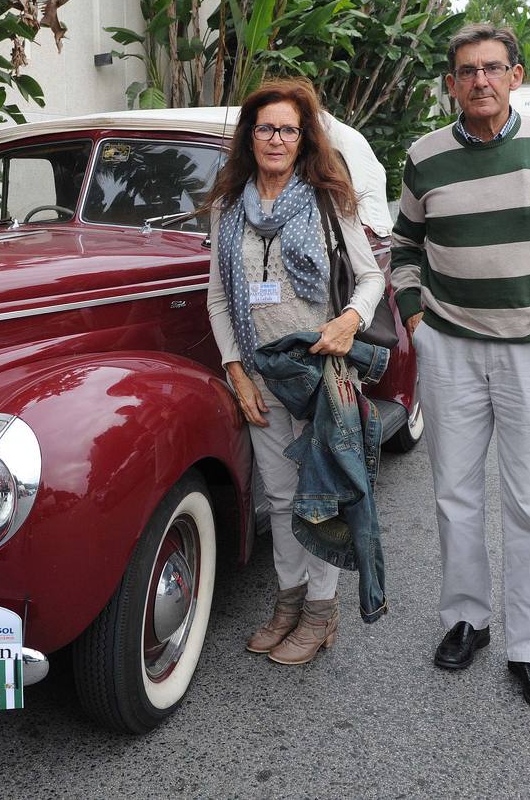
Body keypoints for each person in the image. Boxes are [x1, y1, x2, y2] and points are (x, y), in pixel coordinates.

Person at [389, 23, 530, 715]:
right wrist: (417, 321)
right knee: (455, 495)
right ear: (450, 84)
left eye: (492, 68)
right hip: (451, 346)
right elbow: (404, 245)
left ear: (516, 75)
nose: (479, 80)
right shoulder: (424, 158)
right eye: (466, 71)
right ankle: (467, 619)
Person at [206, 78, 385, 666]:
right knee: (279, 499)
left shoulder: (330, 199)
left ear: (303, 136)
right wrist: (236, 372)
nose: (276, 139)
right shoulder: (229, 209)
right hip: (261, 377)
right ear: (249, 137)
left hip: (321, 376)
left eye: (287, 128)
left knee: (320, 498)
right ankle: (288, 603)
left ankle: (321, 613)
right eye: (265, 128)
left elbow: (371, 277)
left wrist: (349, 323)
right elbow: (217, 298)